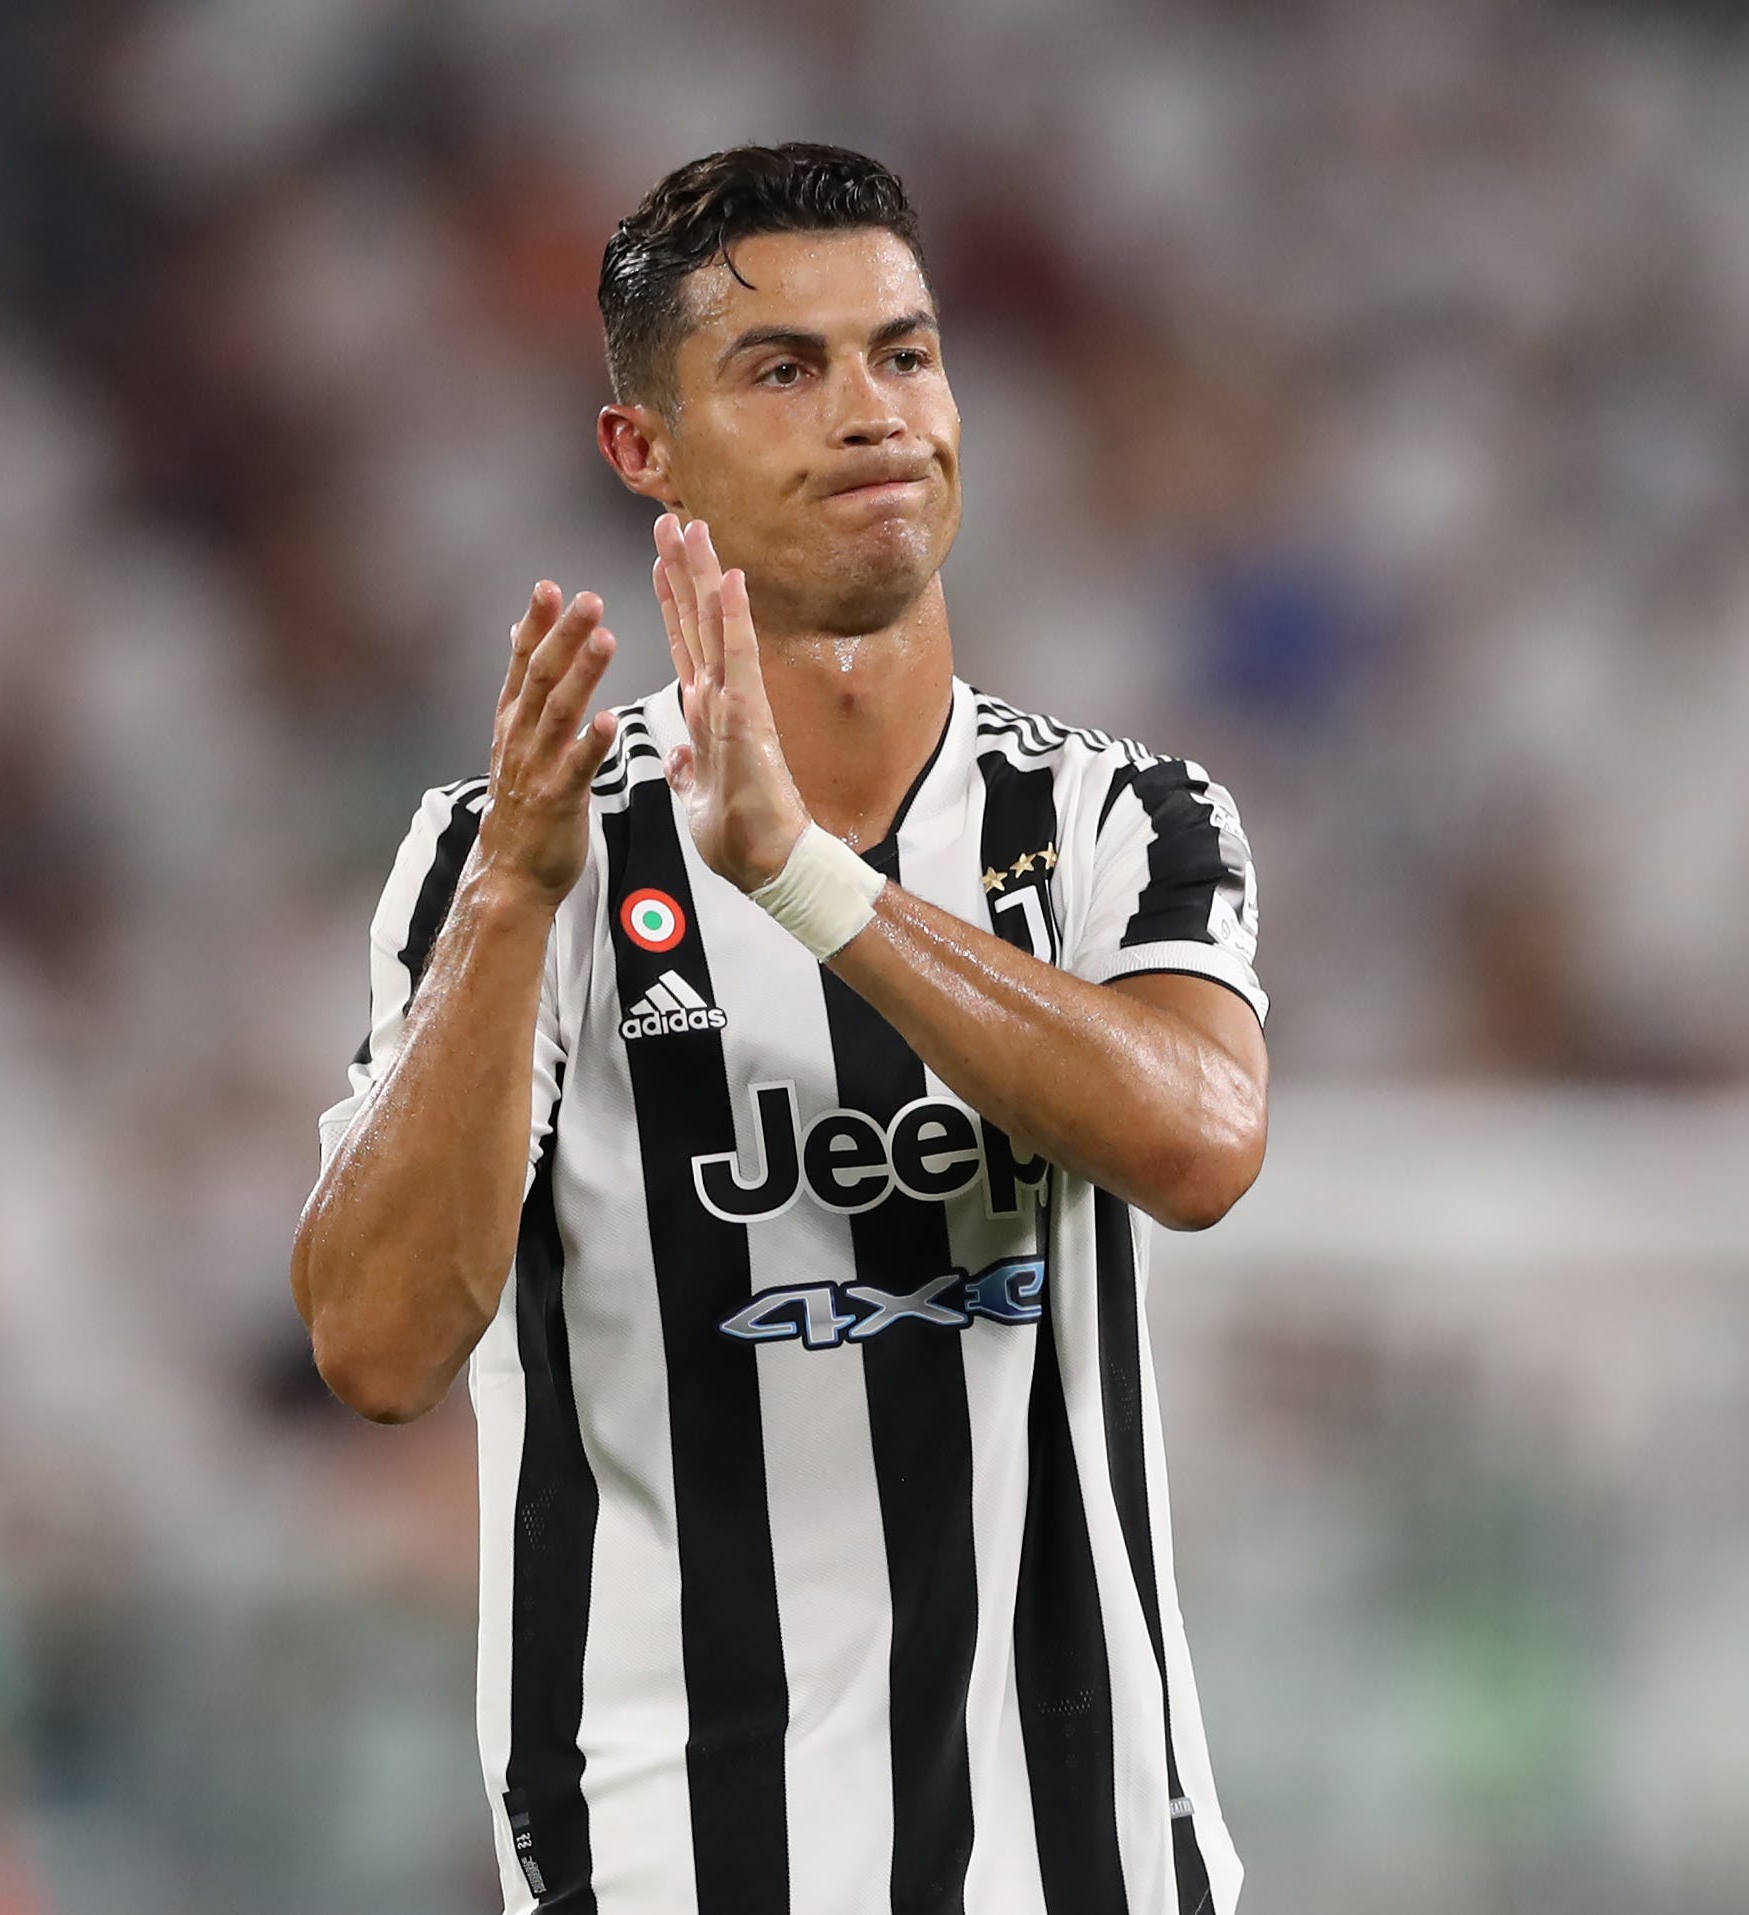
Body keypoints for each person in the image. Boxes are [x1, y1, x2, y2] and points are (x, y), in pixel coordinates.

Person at [291, 144, 1269, 1915]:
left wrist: (809, 885)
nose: (873, 412)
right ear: (640, 452)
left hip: (1089, 1864)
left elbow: (1197, 1140)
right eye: (783, 368)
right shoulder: (508, 851)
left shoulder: (1123, 816)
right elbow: (372, 1348)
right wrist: (516, 901)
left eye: (904, 352)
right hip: (673, 1862)